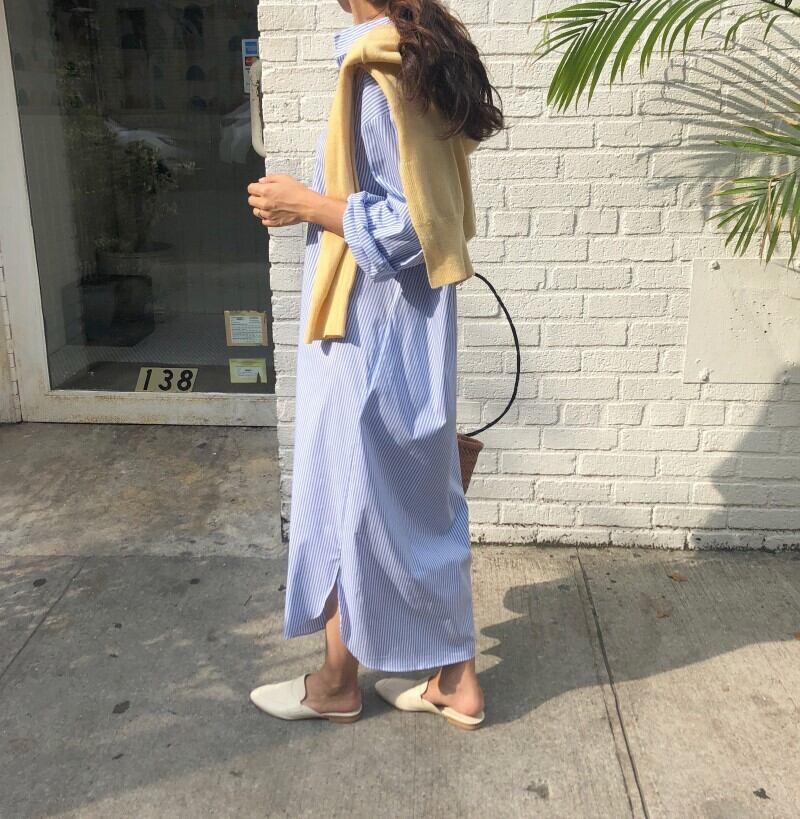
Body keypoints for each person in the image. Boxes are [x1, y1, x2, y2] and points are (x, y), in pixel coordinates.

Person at [246, 0, 503, 730]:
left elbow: (411, 226)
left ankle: (336, 683)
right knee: (418, 504)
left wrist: (304, 203)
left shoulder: (377, 68)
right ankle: (453, 679)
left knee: (344, 499)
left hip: (369, 327)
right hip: (409, 327)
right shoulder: (421, 55)